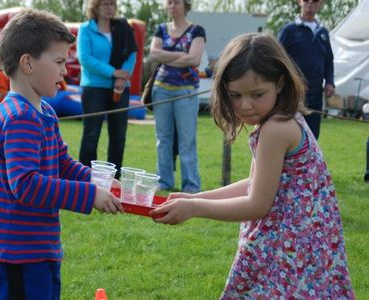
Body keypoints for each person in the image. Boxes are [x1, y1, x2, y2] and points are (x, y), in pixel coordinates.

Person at [152, 33, 354, 298]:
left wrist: (195, 207)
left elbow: (257, 204)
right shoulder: (280, 119)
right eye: (235, 95)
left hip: (288, 253)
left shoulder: (275, 129)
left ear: (280, 83)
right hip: (299, 249)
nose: (245, 105)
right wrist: (194, 197)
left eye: (257, 94)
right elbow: (254, 184)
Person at [0, 9, 123, 300]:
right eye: (58, 62)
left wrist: (97, 180)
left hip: (36, 249)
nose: (65, 71)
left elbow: (61, 163)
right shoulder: (19, 117)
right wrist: (90, 195)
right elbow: (26, 184)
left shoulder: (43, 111)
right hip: (15, 254)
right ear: (27, 63)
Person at [149, 0, 205, 192]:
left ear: (185, 5)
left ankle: (191, 185)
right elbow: (153, 54)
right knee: (162, 139)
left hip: (186, 90)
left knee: (187, 139)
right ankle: (164, 181)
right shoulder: (161, 29)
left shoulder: (197, 30)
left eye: (177, 2)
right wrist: (181, 55)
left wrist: (166, 55)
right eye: (169, 2)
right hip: (161, 89)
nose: (172, 5)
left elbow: (195, 59)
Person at [77, 0, 137, 179]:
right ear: (95, 7)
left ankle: (114, 180)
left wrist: (122, 77)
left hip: (120, 87)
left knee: (118, 136)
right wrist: (113, 73)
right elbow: (85, 58)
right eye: (105, 4)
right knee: (91, 135)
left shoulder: (123, 27)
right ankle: (85, 177)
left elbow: (133, 52)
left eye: (112, 4)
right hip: (94, 88)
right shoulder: (86, 29)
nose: (110, 7)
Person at [278, 0, 335, 140]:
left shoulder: (323, 32)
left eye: (315, 0)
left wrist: (330, 82)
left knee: (313, 136)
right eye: (306, 0)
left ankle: (310, 162)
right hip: (294, 93)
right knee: (292, 133)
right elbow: (277, 58)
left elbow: (328, 60)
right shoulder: (288, 30)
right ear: (299, 2)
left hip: (316, 94)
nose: (310, 2)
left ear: (320, 4)